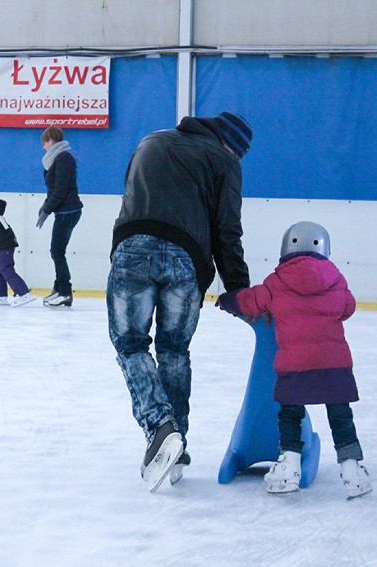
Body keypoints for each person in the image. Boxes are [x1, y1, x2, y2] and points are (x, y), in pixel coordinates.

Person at [107, 111, 252, 492]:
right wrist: (240, 289)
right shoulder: (224, 161)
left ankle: (161, 428)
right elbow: (227, 230)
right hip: (186, 259)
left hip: (132, 248)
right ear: (231, 146)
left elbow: (129, 199)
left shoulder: (150, 141)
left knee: (131, 344)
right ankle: (176, 444)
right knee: (174, 351)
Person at [216, 221, 372, 498]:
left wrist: (228, 300)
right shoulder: (336, 278)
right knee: (340, 415)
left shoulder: (277, 281)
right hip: (334, 363)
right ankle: (352, 471)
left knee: (290, 414)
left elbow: (251, 300)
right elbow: (348, 307)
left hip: (294, 363)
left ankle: (289, 467)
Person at [36, 127, 84, 307]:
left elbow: (61, 190)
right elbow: (53, 188)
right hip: (64, 211)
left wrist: (47, 210)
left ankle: (65, 292)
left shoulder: (64, 158)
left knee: (57, 251)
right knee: (56, 251)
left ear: (52, 140)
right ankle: (58, 289)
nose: (43, 147)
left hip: (68, 212)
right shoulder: (57, 158)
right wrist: (45, 206)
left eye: (45, 143)